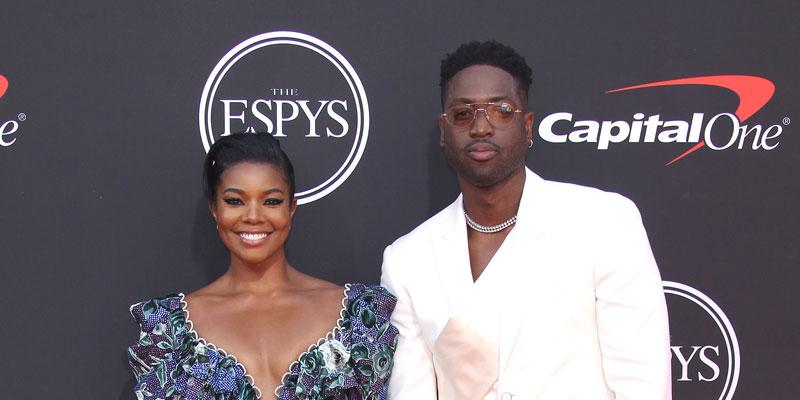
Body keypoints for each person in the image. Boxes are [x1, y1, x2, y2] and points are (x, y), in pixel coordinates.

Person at [380, 40, 671, 399]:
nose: (481, 127)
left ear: (528, 126)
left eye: (501, 109)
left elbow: (642, 387)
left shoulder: (604, 223)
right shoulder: (408, 261)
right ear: (444, 131)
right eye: (463, 113)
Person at [127, 133, 398, 400]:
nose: (253, 216)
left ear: (291, 208)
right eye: (235, 201)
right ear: (214, 209)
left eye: (271, 201)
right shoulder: (168, 331)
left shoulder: (358, 317)